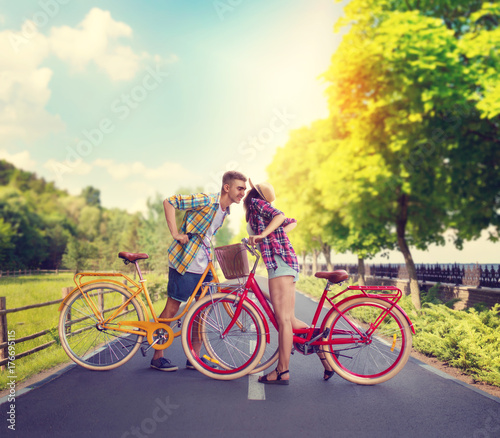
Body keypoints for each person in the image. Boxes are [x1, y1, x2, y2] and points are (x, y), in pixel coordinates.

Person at [150, 171, 247, 371]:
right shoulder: (207, 200)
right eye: (240, 188)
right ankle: (157, 356)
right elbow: (170, 202)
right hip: (185, 262)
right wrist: (176, 233)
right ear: (227, 187)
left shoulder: (225, 211)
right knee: (172, 308)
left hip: (204, 266)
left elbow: (206, 235)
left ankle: (194, 357)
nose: (243, 193)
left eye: (244, 189)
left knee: (202, 311)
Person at [244, 179, 334, 384]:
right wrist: (275, 234)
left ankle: (282, 371)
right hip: (284, 263)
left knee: (283, 321)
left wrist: (264, 235)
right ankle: (321, 348)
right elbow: (291, 222)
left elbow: (281, 216)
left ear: (254, 193)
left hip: (280, 263)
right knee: (290, 321)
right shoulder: (261, 210)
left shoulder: (256, 204)